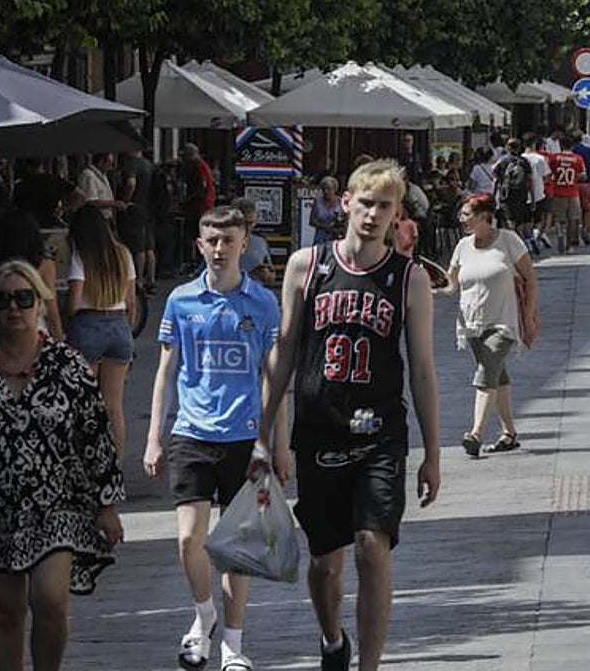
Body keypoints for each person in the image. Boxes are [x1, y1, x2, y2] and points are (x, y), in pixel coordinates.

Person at [254, 158, 441, 671]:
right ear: (346, 204)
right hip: (320, 431)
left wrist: (433, 454)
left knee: (370, 546)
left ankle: (370, 666)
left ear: (397, 214)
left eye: (385, 206)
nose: (373, 214)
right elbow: (285, 352)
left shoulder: (409, 279)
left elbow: (423, 370)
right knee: (325, 564)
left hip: (381, 433)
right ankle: (333, 638)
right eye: (366, 203)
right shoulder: (307, 266)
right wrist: (263, 434)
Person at [0, 260, 124, 671]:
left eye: (23, 298)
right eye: (2, 299)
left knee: (49, 600)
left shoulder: (67, 365)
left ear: (39, 301)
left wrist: (107, 505)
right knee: (7, 610)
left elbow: (95, 434)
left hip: (57, 503)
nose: (13, 307)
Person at [143, 206, 284, 671]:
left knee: (237, 547)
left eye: (228, 240)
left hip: (244, 436)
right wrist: (153, 438)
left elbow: (273, 378)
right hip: (191, 432)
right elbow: (166, 371)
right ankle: (205, 615)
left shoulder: (262, 302)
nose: (219, 249)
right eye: (212, 240)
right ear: (199, 244)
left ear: (245, 244)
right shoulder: (182, 301)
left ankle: (234, 646)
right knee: (190, 538)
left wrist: (279, 444)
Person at [446, 193, 538, 458]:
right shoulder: (463, 246)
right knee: (497, 376)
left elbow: (530, 279)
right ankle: (509, 432)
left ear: (485, 216)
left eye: (466, 214)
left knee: (486, 372)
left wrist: (529, 317)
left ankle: (475, 433)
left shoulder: (509, 241)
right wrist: (432, 286)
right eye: (461, 214)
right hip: (471, 323)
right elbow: (451, 283)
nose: (461, 219)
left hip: (503, 322)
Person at [67, 204, 137, 458]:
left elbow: (74, 304)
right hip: (119, 327)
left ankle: (86, 462)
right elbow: (132, 304)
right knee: (114, 407)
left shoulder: (80, 256)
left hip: (88, 327)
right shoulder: (124, 254)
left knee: (84, 404)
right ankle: (115, 466)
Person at [0, 209, 65, 339]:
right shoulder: (44, 265)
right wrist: (59, 339)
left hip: (0, 327)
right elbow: (51, 309)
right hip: (35, 328)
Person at [118, 148, 157, 294]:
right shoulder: (149, 164)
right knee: (149, 247)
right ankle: (151, 279)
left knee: (138, 247)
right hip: (149, 209)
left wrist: (125, 200)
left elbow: (131, 183)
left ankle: (139, 280)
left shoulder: (131, 164)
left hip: (135, 209)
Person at [12, 158, 84, 229]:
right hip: (51, 225)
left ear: (28, 167)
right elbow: (80, 195)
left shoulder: (21, 186)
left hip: (29, 227)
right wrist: (64, 209)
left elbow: (16, 208)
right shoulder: (55, 180)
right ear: (42, 165)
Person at [545, 134, 585, 253]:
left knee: (558, 218)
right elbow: (582, 175)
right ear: (572, 145)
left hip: (557, 191)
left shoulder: (554, 158)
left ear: (560, 145)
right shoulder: (578, 158)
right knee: (572, 219)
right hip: (573, 192)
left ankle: (560, 233)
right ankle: (569, 245)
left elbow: (548, 174)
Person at [494, 138, 536, 249]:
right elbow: (530, 182)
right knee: (519, 222)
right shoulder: (524, 162)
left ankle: (513, 244)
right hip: (521, 195)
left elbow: (495, 180)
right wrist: (533, 198)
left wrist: (493, 197)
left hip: (506, 195)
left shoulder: (502, 161)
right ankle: (519, 244)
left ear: (508, 147)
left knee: (509, 221)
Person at [180, 143, 217, 268]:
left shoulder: (198, 167)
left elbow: (201, 186)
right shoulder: (203, 166)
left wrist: (187, 200)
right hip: (204, 205)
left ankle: (195, 261)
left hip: (199, 207)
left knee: (194, 234)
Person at [232, 196, 277, 287]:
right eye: (245, 223)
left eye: (252, 223)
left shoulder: (260, 242)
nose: (249, 227)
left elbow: (271, 275)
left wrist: (267, 274)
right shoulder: (220, 243)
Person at [522, 134, 552, 251]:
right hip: (539, 192)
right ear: (534, 143)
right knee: (538, 219)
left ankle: (528, 240)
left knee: (526, 219)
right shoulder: (540, 159)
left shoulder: (520, 157)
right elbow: (546, 176)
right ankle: (535, 236)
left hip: (523, 194)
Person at [77, 153, 125, 221]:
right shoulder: (89, 175)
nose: (111, 168)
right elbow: (91, 202)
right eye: (109, 164)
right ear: (101, 162)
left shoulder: (103, 175)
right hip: (94, 219)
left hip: (104, 218)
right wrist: (114, 204)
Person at [572, 132, 590, 244]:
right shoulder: (587, 151)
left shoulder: (570, 151)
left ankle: (574, 235)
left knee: (574, 211)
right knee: (587, 209)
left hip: (572, 183)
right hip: (585, 183)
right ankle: (584, 230)